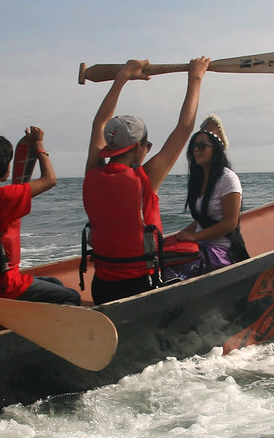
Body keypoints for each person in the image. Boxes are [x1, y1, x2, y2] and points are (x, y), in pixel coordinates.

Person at [81, 57, 210, 304]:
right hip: (139, 288)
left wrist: (122, 78)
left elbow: (99, 124)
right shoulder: (145, 179)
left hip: (101, 287)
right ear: (139, 147)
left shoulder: (92, 171)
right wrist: (196, 77)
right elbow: (185, 128)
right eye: (147, 146)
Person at [0, 129, 80, 304]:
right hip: (4, 284)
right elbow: (50, 180)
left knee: (55, 283)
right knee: (71, 297)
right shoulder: (1, 198)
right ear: (0, 167)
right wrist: (39, 145)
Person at [166, 120, 249, 279]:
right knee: (164, 258)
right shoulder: (200, 179)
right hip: (201, 246)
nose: (196, 150)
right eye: (194, 147)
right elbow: (202, 220)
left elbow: (230, 223)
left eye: (202, 146)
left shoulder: (227, 179)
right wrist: (181, 235)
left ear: (215, 149)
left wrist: (195, 237)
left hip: (221, 251)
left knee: (176, 271)